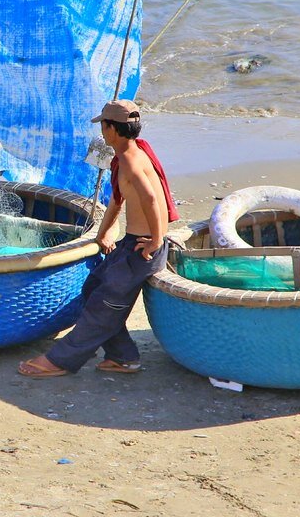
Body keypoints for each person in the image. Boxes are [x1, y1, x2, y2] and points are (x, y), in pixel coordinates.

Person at [18, 99, 179, 378]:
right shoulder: (134, 150)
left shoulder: (129, 159)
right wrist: (103, 234)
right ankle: (123, 357)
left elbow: (152, 198)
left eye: (103, 126)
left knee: (103, 305)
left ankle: (60, 360)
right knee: (94, 287)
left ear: (111, 129)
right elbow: (118, 199)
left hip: (143, 248)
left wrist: (155, 240)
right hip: (133, 243)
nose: (102, 132)